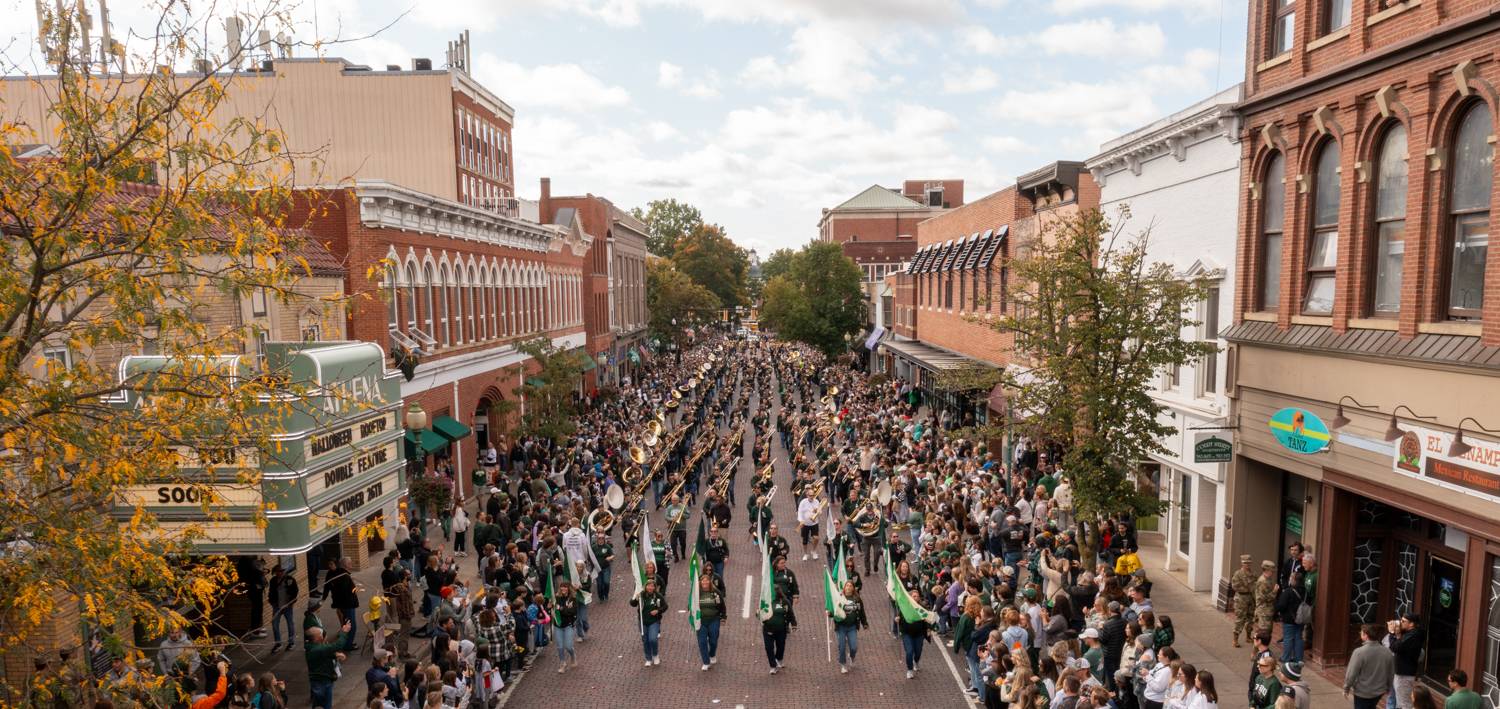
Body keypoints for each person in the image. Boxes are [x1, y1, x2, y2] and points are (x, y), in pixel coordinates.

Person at [1343, 623, 1394, 709]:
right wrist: (1389, 687)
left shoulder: (1359, 652)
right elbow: (1391, 672)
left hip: (1362, 692)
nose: (1360, 634)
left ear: (1365, 635)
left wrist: (1346, 688)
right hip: (1379, 691)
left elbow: (1351, 673)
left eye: (1361, 633)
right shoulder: (1387, 652)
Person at [304, 621, 350, 709]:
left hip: (320, 680)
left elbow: (322, 655)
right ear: (316, 638)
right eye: (320, 634)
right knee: (325, 705)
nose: (323, 635)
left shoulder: (312, 647)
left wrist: (335, 655)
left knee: (318, 704)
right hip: (322, 682)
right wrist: (344, 632)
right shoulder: (317, 649)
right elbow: (337, 645)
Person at [323, 557, 360, 652]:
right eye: (350, 563)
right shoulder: (343, 576)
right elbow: (342, 591)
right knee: (351, 626)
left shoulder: (341, 574)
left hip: (344, 605)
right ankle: (348, 645)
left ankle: (346, 643)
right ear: (345, 565)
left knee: (346, 624)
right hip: (347, 605)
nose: (351, 564)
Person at [1388, 613, 1424, 709]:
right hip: (1403, 672)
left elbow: (1395, 647)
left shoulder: (1413, 635)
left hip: (1404, 674)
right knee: (1401, 702)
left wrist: (1391, 633)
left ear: (1411, 624)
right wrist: (1398, 633)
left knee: (1404, 703)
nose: (1400, 623)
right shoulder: (1411, 634)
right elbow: (1401, 644)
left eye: (1403, 621)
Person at [833, 580, 868, 674]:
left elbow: (861, 612)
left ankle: (852, 656)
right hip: (841, 626)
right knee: (842, 646)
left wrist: (864, 623)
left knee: (854, 647)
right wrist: (830, 613)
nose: (848, 587)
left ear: (853, 588)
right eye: (847, 586)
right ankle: (843, 664)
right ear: (844, 588)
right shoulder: (839, 598)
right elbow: (834, 610)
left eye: (850, 586)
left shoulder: (857, 599)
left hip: (852, 627)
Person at [630, 578, 666, 667]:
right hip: (643, 622)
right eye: (648, 586)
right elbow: (632, 604)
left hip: (654, 621)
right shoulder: (641, 595)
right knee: (645, 640)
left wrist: (658, 611)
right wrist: (635, 598)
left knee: (653, 639)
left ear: (654, 587)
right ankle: (648, 658)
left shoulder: (658, 596)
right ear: (645, 587)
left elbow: (665, 606)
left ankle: (655, 655)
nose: (650, 588)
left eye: (652, 586)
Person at [695, 572, 727, 670]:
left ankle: (712, 654)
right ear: (700, 583)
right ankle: (706, 662)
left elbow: (722, 605)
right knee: (702, 642)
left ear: (710, 582)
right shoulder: (696, 594)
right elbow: (690, 604)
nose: (704, 582)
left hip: (714, 619)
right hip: (701, 621)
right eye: (703, 581)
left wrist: (723, 617)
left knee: (713, 640)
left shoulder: (715, 592)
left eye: (706, 581)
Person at [1274, 570, 1306, 663]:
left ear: (1295, 580)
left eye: (1291, 578)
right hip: (1301, 618)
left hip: (1289, 619)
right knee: (1299, 638)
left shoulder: (1288, 591)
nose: (1290, 579)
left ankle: (1286, 658)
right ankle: (1298, 658)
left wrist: (1275, 605)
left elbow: (1281, 606)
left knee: (1288, 638)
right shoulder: (1305, 591)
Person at [551, 579, 582, 673]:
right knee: (560, 646)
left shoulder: (573, 599)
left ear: (569, 588)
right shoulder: (556, 598)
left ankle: (573, 656)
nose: (563, 588)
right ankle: (562, 663)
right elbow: (552, 609)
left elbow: (572, 612)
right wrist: (549, 607)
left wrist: (561, 608)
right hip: (558, 625)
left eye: (565, 586)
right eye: (562, 586)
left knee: (568, 646)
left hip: (568, 625)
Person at [762, 581, 793, 674]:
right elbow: (760, 613)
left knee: (781, 646)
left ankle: (779, 659)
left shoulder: (784, 601)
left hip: (781, 629)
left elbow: (790, 613)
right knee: (768, 647)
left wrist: (793, 623)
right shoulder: (765, 601)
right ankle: (772, 666)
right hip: (768, 629)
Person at [267, 564, 298, 653]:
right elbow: (271, 591)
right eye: (279, 571)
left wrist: (291, 602)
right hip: (277, 606)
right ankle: (278, 643)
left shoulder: (290, 579)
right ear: (276, 572)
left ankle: (291, 642)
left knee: (290, 624)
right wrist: (271, 601)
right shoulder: (273, 580)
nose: (281, 573)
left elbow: (295, 591)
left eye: (282, 571)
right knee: (275, 624)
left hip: (287, 606)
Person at [897, 600, 931, 680]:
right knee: (909, 651)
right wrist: (897, 619)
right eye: (914, 596)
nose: (916, 598)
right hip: (907, 634)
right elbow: (899, 617)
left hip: (919, 634)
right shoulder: (904, 607)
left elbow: (927, 618)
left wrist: (929, 628)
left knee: (918, 651)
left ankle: (916, 661)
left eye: (917, 596)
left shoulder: (921, 607)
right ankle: (909, 669)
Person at [1230, 555, 1255, 648]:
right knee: (1240, 619)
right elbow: (1235, 586)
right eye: (1245, 563)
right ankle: (1235, 640)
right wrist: (1247, 589)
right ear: (1242, 563)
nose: (1247, 564)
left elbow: (1255, 586)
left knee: (1250, 618)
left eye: (1249, 563)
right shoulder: (1238, 574)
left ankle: (1248, 637)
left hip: (1251, 599)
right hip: (1241, 599)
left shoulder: (1253, 574)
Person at [796, 489, 821, 561]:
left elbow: (820, 511)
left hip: (814, 523)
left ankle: (814, 551)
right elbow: (800, 512)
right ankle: (805, 554)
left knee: (816, 538)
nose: (812, 497)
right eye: (810, 495)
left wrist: (818, 511)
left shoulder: (816, 501)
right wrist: (801, 521)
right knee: (805, 540)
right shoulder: (803, 502)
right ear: (807, 495)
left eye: (813, 495)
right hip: (805, 523)